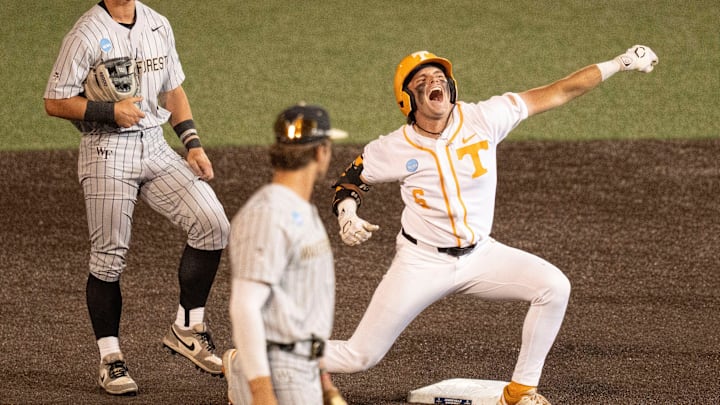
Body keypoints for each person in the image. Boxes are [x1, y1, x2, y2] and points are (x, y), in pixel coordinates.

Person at [324, 46, 658, 405]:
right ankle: (269, 353)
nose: (435, 82)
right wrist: (347, 214)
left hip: (480, 255)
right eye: (422, 81)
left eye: (439, 77)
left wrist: (619, 63)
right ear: (407, 99)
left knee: (553, 287)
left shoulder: (485, 118)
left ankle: (520, 392)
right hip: (421, 263)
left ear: (451, 86)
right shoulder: (393, 148)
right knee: (360, 356)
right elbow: (349, 182)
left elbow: (560, 91)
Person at [43, 0, 230, 396]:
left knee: (213, 224)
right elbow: (55, 101)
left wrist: (193, 144)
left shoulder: (158, 24)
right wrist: (109, 111)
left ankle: (188, 328)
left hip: (156, 146)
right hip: (106, 150)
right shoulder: (85, 34)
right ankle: (110, 358)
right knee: (109, 258)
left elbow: (173, 89)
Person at [223, 104, 348, 405]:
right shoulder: (268, 215)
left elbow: (302, 312)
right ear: (321, 152)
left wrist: (324, 381)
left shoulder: (299, 209)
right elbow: (244, 307)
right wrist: (262, 393)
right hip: (278, 374)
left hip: (299, 367)